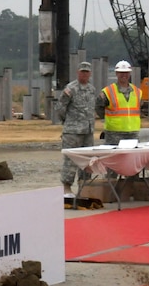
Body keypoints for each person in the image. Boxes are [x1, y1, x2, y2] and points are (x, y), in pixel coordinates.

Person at [56, 61, 97, 198]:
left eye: (87, 72)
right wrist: (68, 123)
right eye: (82, 71)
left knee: (87, 161)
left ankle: (84, 188)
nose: (84, 74)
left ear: (90, 73)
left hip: (88, 131)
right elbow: (60, 108)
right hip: (73, 132)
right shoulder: (70, 89)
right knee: (71, 160)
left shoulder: (92, 89)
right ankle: (67, 188)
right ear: (77, 72)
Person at [97, 59, 142, 144]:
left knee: (132, 156)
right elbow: (98, 107)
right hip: (114, 133)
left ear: (130, 74)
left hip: (133, 132)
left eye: (126, 72)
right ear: (116, 73)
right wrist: (108, 120)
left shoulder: (137, 91)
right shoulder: (108, 91)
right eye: (121, 72)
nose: (124, 75)